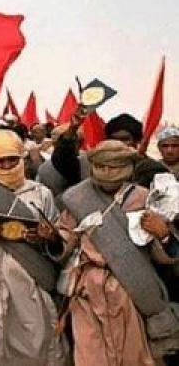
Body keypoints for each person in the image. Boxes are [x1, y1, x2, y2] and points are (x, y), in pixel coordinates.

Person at [50, 140, 179, 364]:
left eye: (114, 167)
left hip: (129, 288)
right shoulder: (77, 198)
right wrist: (50, 236)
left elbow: (160, 254)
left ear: (127, 167)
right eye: (101, 166)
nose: (107, 172)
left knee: (131, 355)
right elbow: (65, 240)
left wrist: (163, 234)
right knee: (90, 355)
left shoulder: (143, 198)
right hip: (87, 290)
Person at [0, 129, 67, 366]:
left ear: (22, 158)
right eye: (0, 161)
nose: (6, 165)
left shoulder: (40, 194)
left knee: (34, 345)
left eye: (12, 159)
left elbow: (60, 239)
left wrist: (48, 238)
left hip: (30, 278)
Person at [104, 113, 168, 187]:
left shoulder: (153, 169)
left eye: (125, 139)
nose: (119, 144)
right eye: (114, 139)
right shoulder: (101, 168)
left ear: (137, 141)